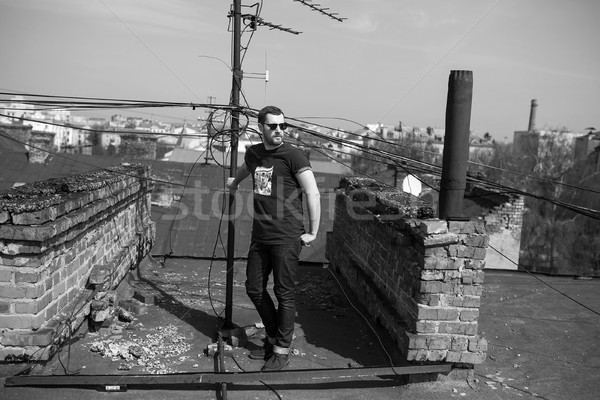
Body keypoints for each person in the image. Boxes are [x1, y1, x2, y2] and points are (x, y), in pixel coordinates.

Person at [227, 105, 321, 371]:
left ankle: (281, 351)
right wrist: (235, 183)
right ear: (261, 127)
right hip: (261, 235)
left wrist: (312, 231)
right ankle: (271, 338)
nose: (279, 130)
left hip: (287, 236)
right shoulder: (255, 152)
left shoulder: (294, 156)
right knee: (254, 288)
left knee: (284, 293)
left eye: (283, 126)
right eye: (273, 126)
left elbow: (312, 193)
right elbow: (248, 168)